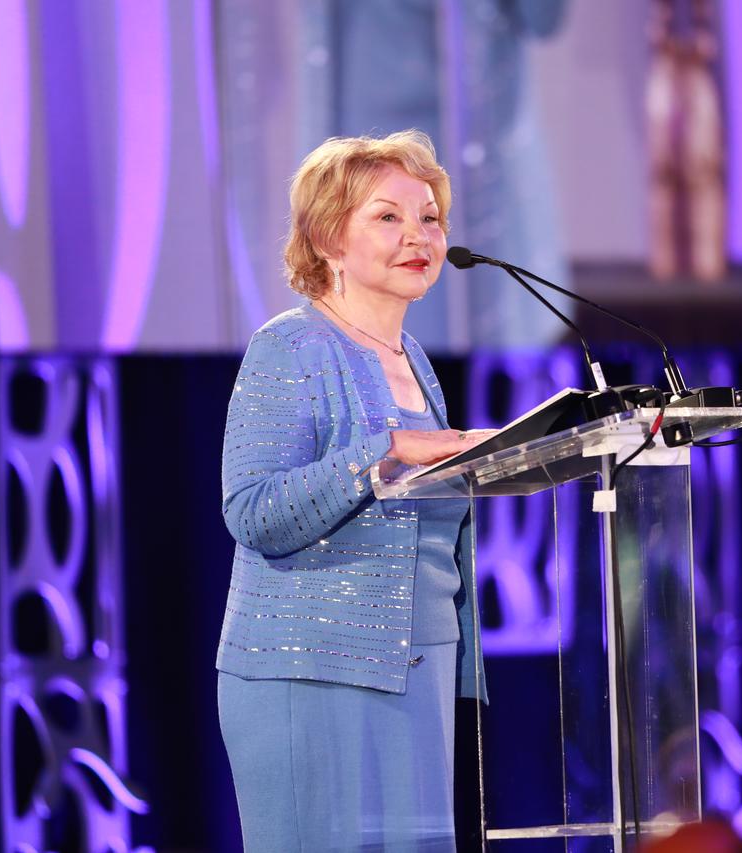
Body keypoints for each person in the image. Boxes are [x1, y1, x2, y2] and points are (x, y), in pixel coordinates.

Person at [215, 130, 491, 852]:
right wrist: (383, 453)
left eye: (429, 217)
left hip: (419, 673)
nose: (418, 235)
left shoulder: (416, 362)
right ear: (328, 238)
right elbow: (252, 510)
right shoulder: (291, 346)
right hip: (310, 672)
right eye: (388, 216)